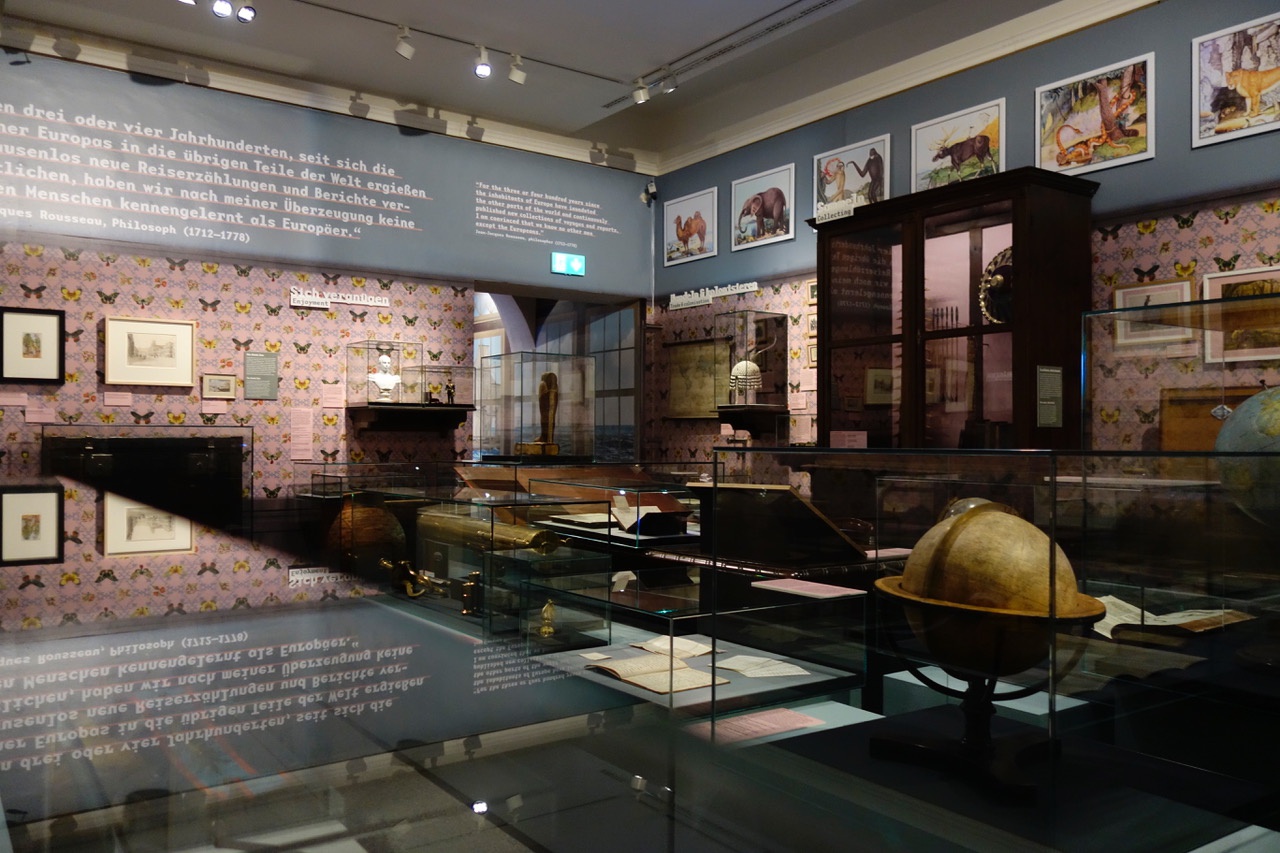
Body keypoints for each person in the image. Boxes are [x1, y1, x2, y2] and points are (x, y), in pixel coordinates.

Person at [537, 371, 558, 443]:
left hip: (548, 394)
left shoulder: (543, 385)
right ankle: (546, 437)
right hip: (548, 395)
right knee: (546, 415)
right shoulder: (545, 387)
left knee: (547, 415)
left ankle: (546, 437)